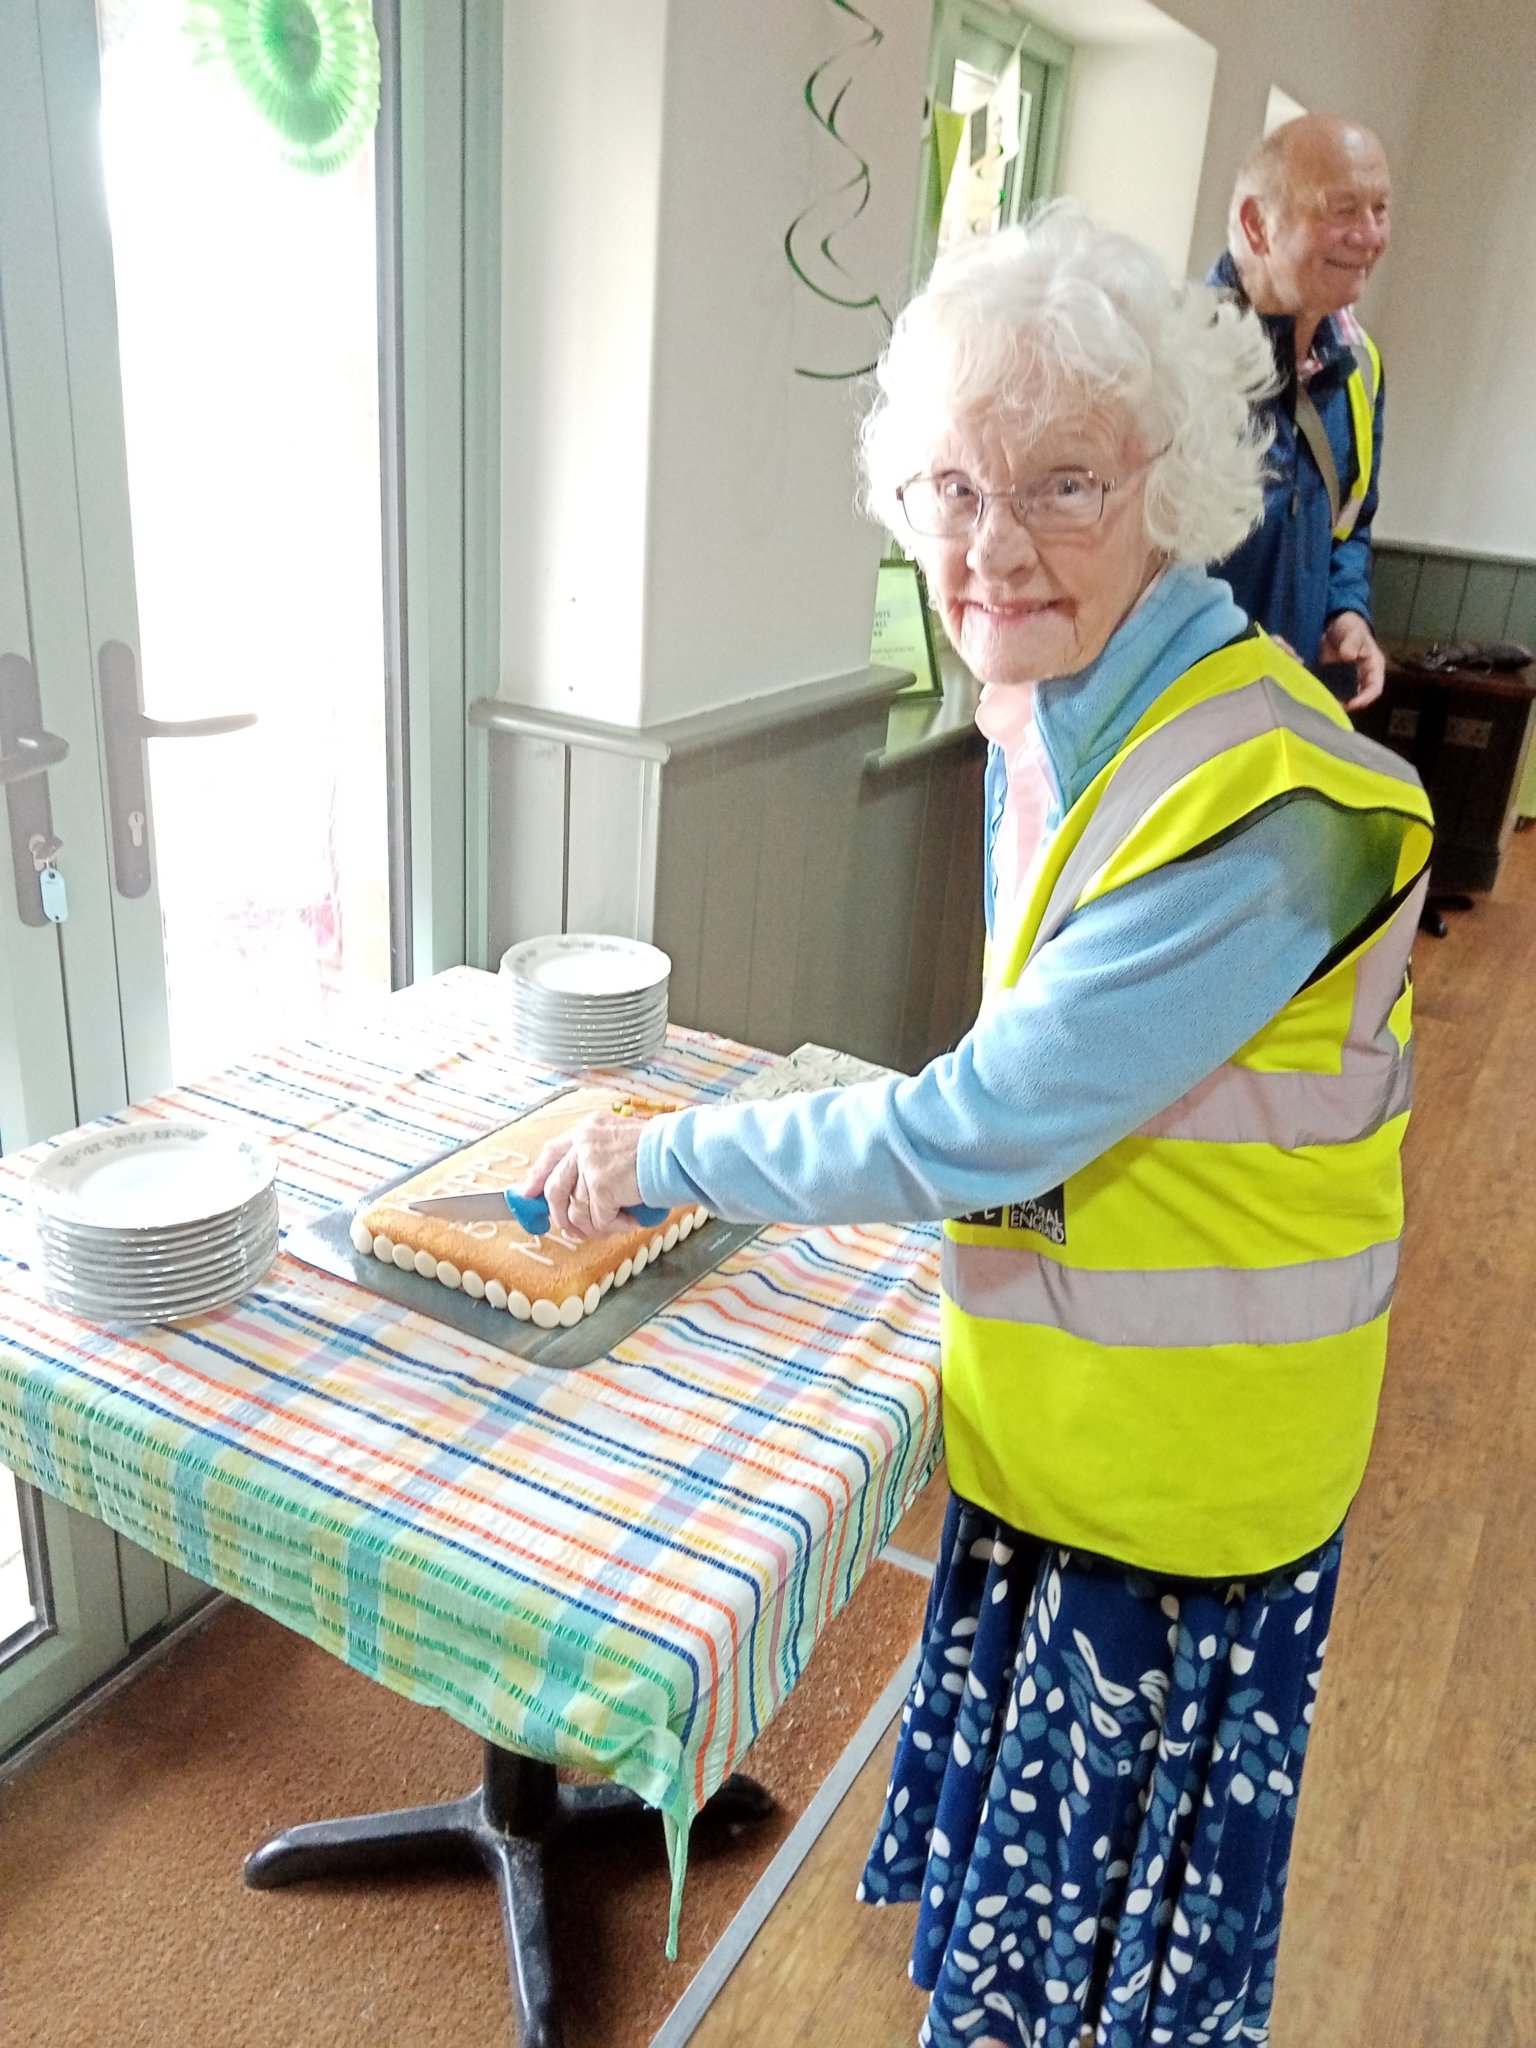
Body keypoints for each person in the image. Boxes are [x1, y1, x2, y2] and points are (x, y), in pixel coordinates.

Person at [524, 206, 1433, 2048]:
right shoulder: (1077, 708)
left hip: (1182, 1494)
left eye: (1060, 482)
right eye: (946, 487)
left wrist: (677, 1150)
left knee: (1088, 1985)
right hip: (1074, 1439)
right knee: (1028, 1945)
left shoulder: (1260, 798)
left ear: (1174, 490)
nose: (989, 542)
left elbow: (991, 1122)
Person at [1209, 115, 1392, 712]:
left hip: (1285, 720)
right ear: (1256, 224)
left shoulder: (1360, 368)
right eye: (1342, 209)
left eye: (1380, 209)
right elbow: (1114, 567)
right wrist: (1232, 645)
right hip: (1168, 727)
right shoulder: (1166, 362)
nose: (1368, 236)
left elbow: (1348, 525)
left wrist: (1345, 610)